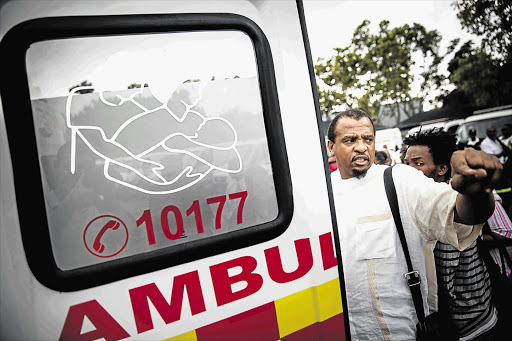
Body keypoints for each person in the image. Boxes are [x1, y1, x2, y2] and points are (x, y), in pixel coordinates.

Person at [327, 109, 501, 340]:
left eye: (367, 139)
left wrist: (476, 192)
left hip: (407, 332)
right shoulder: (320, 194)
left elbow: (457, 213)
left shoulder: (398, 179)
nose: (361, 147)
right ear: (331, 146)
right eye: (350, 140)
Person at [404, 128, 507, 340]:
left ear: (442, 168)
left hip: (473, 324)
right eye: (406, 164)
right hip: (468, 318)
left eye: (418, 164)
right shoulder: (416, 204)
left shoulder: (447, 206)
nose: (409, 172)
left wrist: (476, 193)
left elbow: (445, 285)